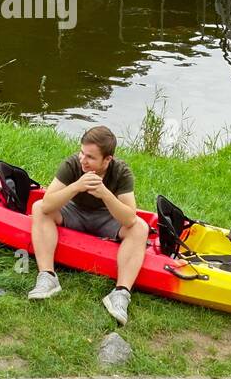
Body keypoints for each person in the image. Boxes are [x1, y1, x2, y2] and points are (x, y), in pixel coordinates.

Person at [27, 126, 147, 326]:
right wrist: (77, 186)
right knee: (39, 208)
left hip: (107, 218)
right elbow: (48, 203)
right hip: (73, 212)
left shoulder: (121, 172)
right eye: (82, 152)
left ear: (107, 160)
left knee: (140, 228)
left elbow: (129, 219)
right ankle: (47, 277)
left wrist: (105, 193)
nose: (83, 159)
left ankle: (120, 294)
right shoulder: (73, 164)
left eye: (90, 157)